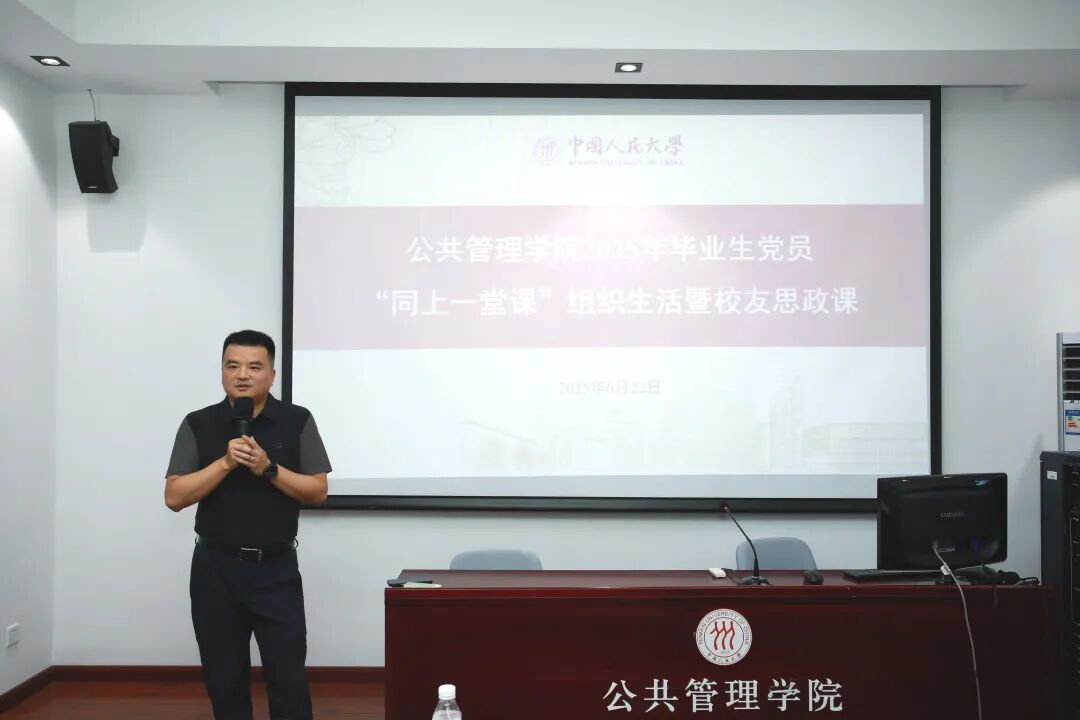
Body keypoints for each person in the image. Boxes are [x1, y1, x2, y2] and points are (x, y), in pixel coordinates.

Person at [165, 330, 331, 720]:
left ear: (272, 375)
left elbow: (318, 491)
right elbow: (174, 496)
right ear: (222, 371)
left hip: (276, 570)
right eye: (232, 366)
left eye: (254, 367)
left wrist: (268, 468)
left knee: (288, 681)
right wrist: (224, 464)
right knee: (224, 682)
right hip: (215, 571)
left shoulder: (297, 420)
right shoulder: (198, 423)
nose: (242, 375)